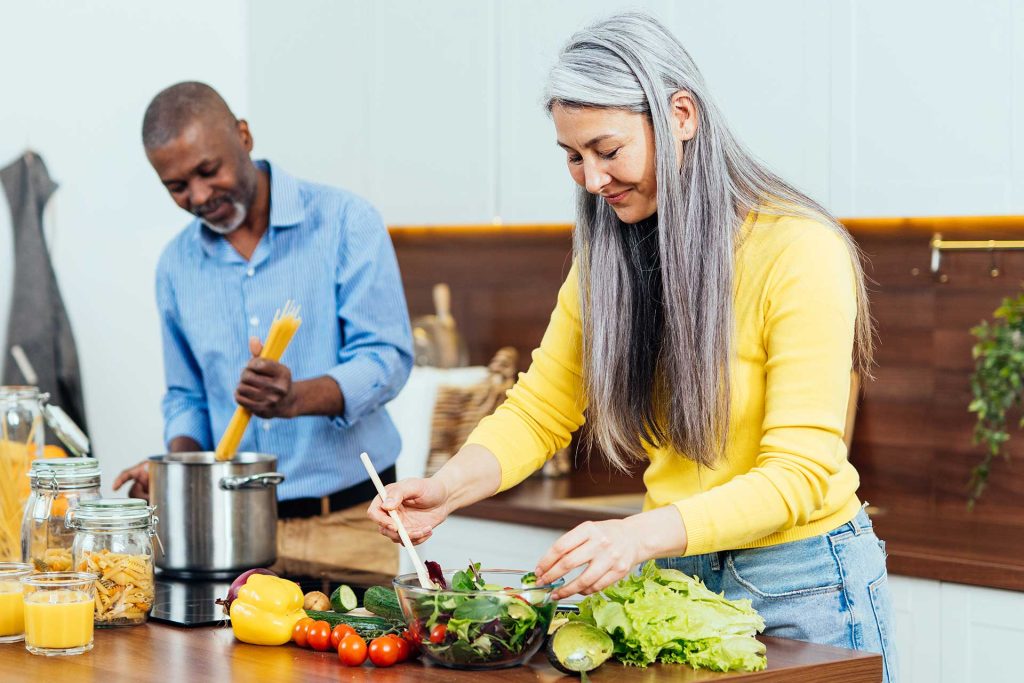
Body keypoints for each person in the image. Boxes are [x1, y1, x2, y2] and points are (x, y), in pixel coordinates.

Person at [369, 12, 897, 680]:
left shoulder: (797, 249)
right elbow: (539, 409)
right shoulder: (606, 260)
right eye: (572, 157)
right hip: (674, 580)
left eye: (606, 149)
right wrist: (446, 489)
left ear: (681, 114)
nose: (592, 178)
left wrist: (636, 533)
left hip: (803, 586)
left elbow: (798, 473)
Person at [115, 81, 413, 577]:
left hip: (351, 523)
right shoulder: (175, 266)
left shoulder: (346, 222)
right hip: (227, 527)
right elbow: (185, 396)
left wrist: (296, 397)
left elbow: (386, 358)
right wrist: (177, 475)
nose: (200, 196)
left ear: (244, 137)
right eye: (177, 186)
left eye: (208, 171)